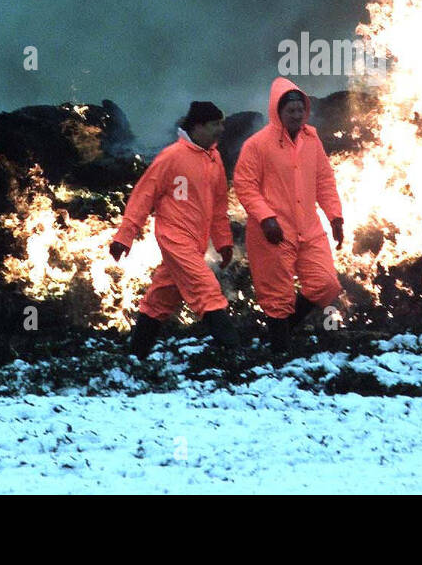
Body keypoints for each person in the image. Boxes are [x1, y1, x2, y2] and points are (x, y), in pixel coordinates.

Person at [110, 101, 239, 359]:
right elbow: (143, 196)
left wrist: (224, 242)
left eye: (222, 124)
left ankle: (136, 354)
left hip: (196, 241)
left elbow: (218, 206)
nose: (221, 130)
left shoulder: (214, 159)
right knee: (207, 289)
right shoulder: (171, 157)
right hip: (174, 238)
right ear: (198, 126)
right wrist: (125, 236)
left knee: (161, 298)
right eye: (215, 124)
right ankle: (234, 350)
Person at [234, 78, 345, 354]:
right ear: (277, 112)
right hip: (273, 231)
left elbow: (324, 181)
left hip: (308, 227)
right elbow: (244, 185)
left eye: (300, 110)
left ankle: (283, 331)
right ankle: (279, 351)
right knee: (277, 296)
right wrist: (265, 217)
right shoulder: (257, 145)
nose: (296, 115)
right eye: (290, 111)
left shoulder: (312, 140)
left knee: (326, 283)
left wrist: (335, 217)